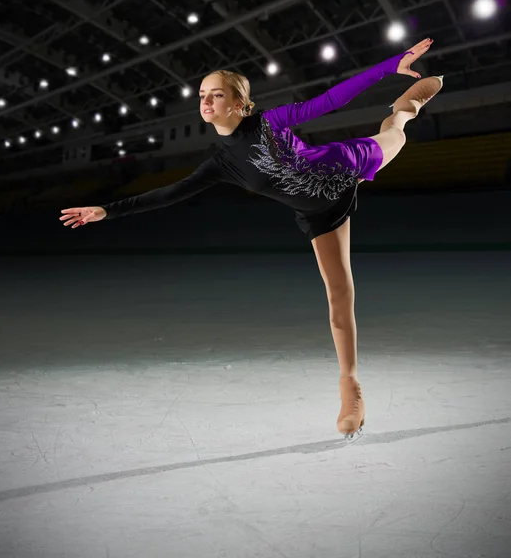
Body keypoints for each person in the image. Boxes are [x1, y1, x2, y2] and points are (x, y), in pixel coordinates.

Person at [60, 38, 442, 439]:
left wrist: (387, 66)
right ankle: (351, 390)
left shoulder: (270, 123)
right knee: (339, 294)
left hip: (344, 166)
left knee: (395, 135)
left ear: (241, 104)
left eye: (217, 94)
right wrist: (108, 209)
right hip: (318, 213)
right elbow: (170, 193)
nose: (206, 101)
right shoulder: (221, 164)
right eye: (202, 95)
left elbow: (331, 100)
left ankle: (404, 109)